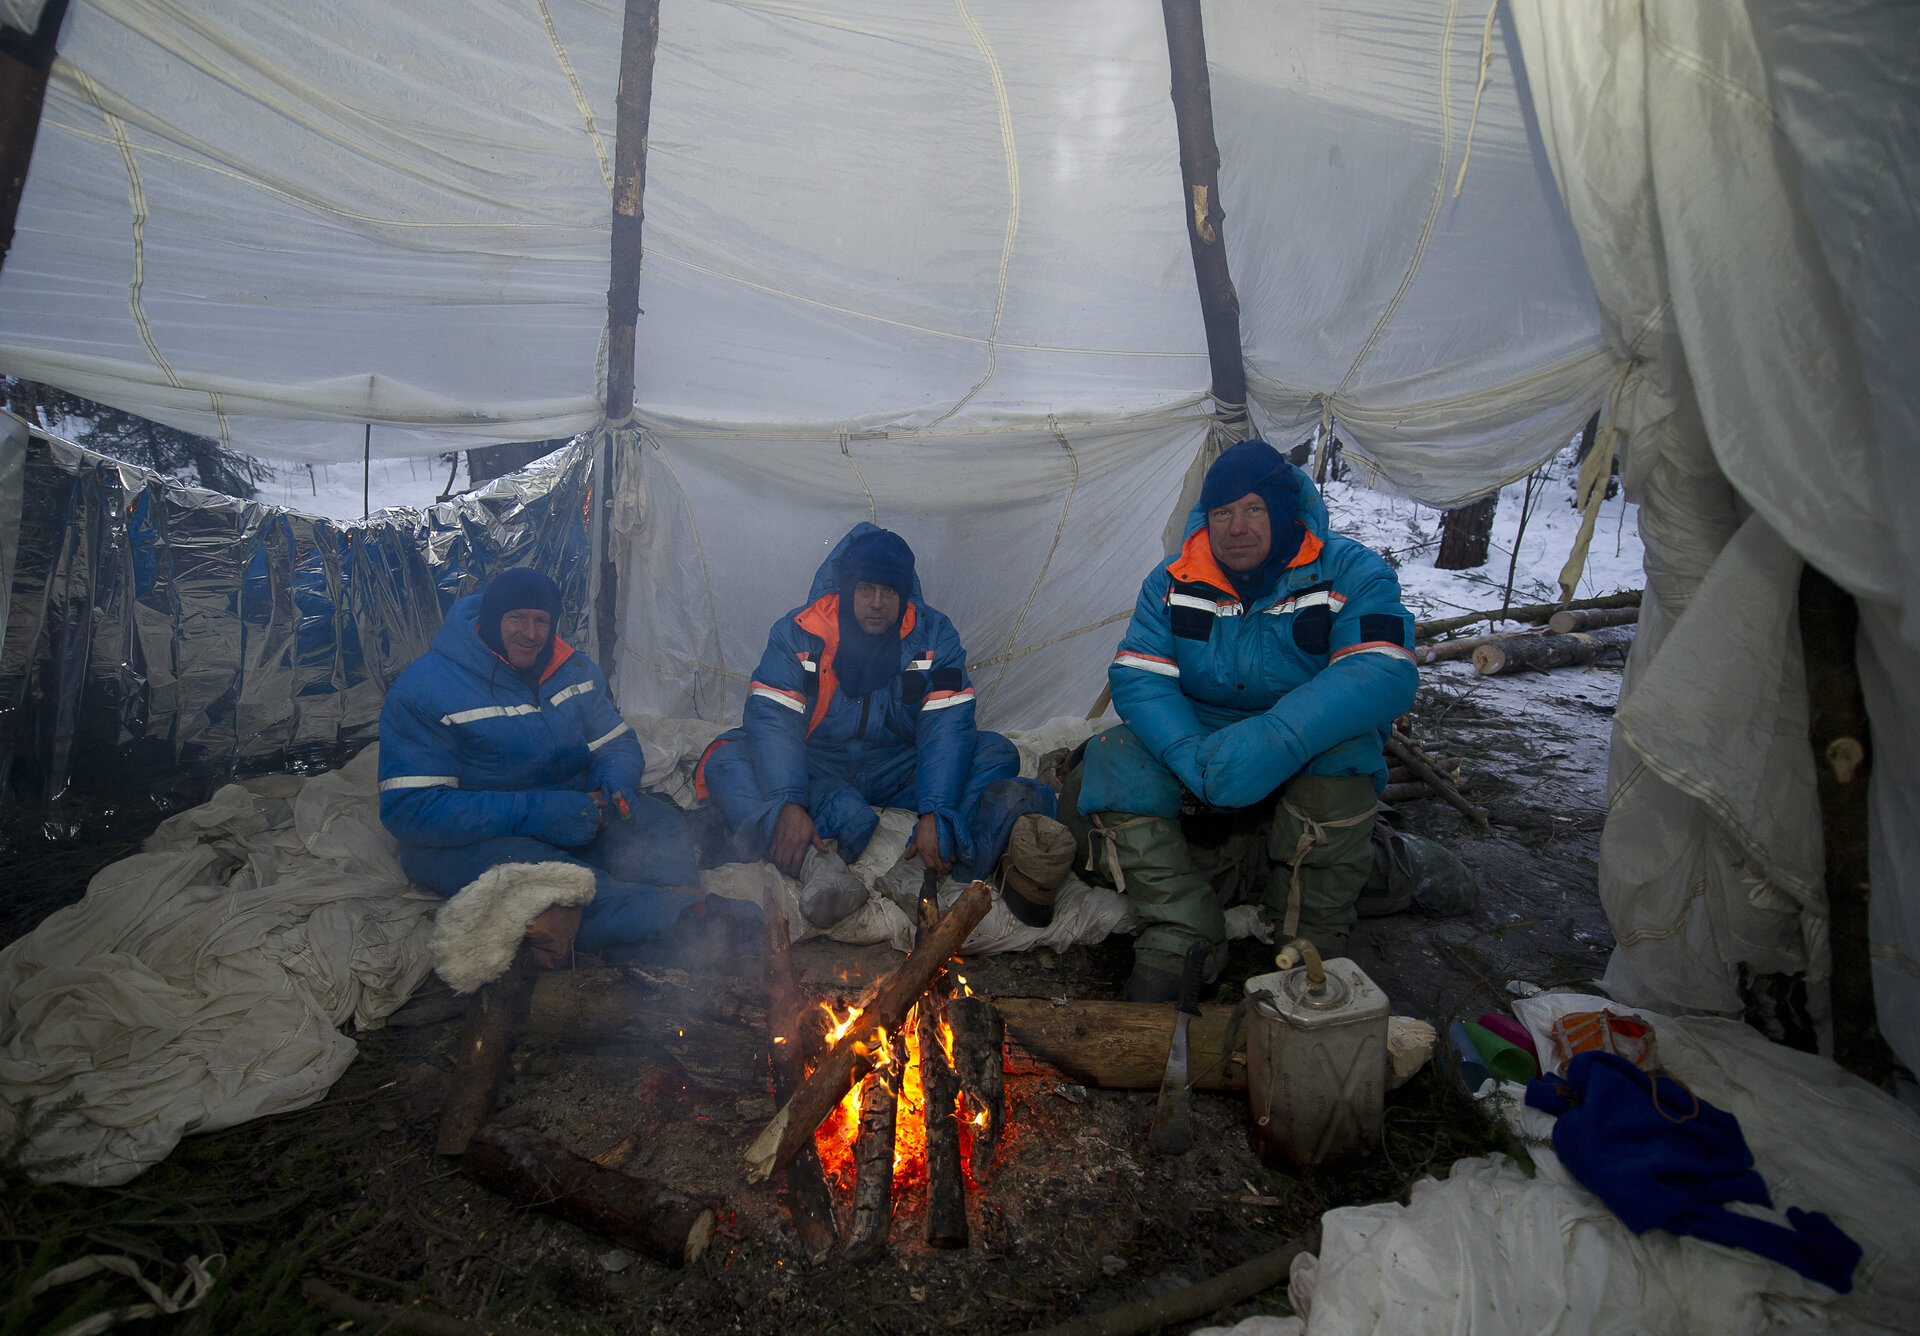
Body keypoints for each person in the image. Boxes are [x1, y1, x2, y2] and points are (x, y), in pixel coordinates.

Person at [1075, 438, 1417, 1001]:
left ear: (1282, 510)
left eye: (1253, 509)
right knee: (1111, 759)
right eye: (1222, 513)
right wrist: (1186, 751)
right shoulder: (1173, 580)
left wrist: (1276, 737)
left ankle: (1306, 935)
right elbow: (1139, 675)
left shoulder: (1351, 571)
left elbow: (1383, 670)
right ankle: (1184, 930)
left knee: (1349, 755)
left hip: (1308, 733)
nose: (1236, 527)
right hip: (1201, 733)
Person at [377, 567, 758, 964]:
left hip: (575, 816)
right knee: (549, 883)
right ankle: (683, 924)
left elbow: (615, 743)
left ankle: (681, 921)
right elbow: (411, 808)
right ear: (492, 619)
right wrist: (536, 813)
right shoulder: (426, 690)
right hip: (476, 841)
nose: (531, 633)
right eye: (516, 618)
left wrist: (614, 783)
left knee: (656, 821)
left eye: (541, 620)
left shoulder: (570, 671)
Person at [696, 524, 1024, 925]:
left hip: (898, 766)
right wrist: (789, 801)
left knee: (996, 752)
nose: (876, 603)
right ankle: (817, 864)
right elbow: (773, 720)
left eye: (889, 591)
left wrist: (934, 811)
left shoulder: (934, 634)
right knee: (725, 758)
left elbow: (948, 724)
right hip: (819, 764)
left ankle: (918, 870)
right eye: (866, 588)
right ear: (847, 587)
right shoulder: (800, 633)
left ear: (904, 594)